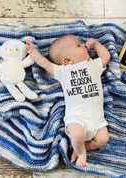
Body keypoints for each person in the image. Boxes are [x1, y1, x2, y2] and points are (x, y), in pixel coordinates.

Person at [25, 35, 110, 167]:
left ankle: (83, 148)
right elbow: (45, 63)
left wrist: (97, 45)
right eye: (78, 45)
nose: (83, 45)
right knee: (77, 134)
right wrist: (33, 52)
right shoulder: (62, 71)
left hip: (97, 119)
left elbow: (106, 57)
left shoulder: (93, 65)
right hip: (76, 118)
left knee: (103, 139)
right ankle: (81, 153)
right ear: (67, 60)